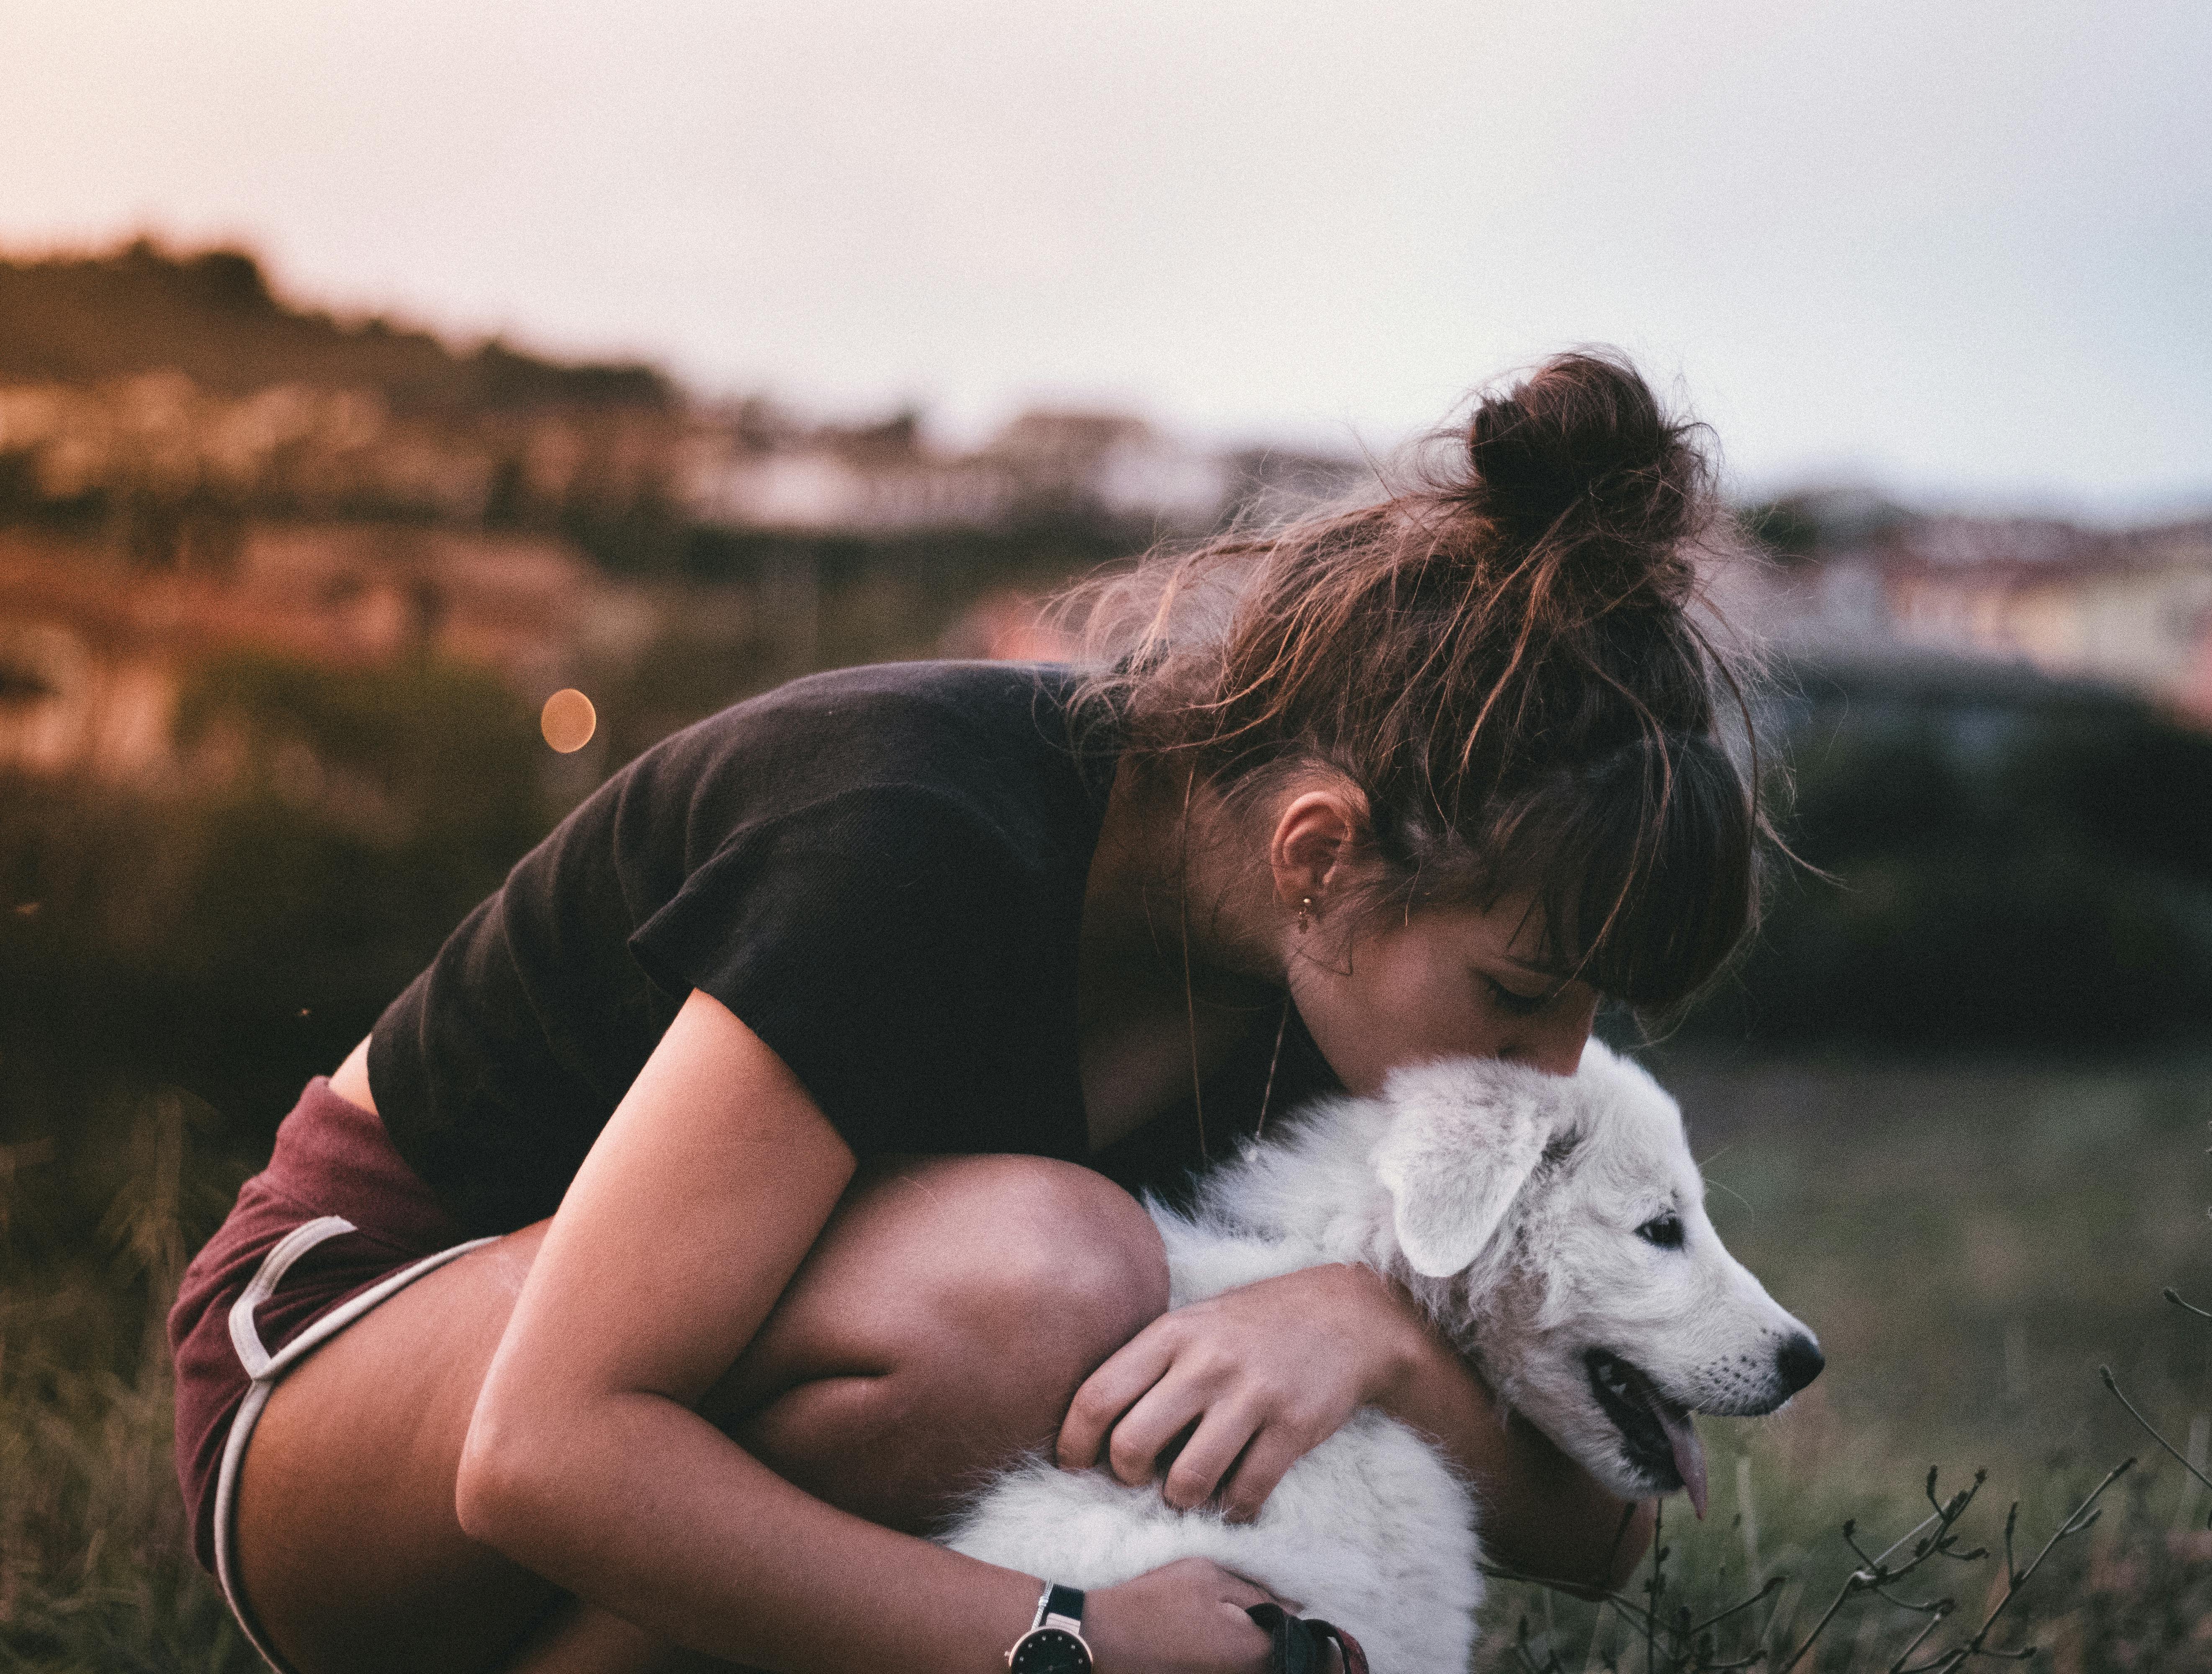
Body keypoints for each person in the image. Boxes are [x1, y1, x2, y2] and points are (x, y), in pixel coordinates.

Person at [167, 349, 1766, 1674]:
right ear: (1321, 855)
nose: (1553, 1072)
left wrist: (1368, 1343)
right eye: (1521, 994)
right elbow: (539, 1451)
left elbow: (1601, 1533)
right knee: (1044, 1280)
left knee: (1070, 1296)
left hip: (594, 1466)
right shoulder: (915, 834)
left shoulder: (1322, 989)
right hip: (342, 1409)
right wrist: (1068, 1641)